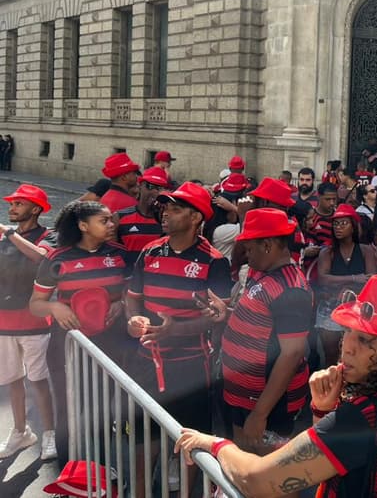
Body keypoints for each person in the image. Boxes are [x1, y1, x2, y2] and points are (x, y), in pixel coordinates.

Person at [174, 274, 377, 498]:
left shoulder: (358, 420)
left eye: (365, 341)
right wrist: (324, 412)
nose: (346, 347)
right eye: (347, 331)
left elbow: (256, 480)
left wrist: (215, 445)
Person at [125, 181, 232, 489]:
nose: (165, 215)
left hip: (191, 367)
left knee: (189, 445)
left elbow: (216, 317)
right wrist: (134, 318)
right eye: (165, 209)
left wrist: (177, 330)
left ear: (196, 218)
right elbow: (132, 296)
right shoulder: (149, 251)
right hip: (146, 361)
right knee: (145, 440)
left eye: (175, 210)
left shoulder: (214, 261)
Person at [30, 200, 131, 466]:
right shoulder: (57, 259)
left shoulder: (121, 255)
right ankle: (69, 472)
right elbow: (36, 304)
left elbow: (130, 295)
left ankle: (101, 467)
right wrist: (53, 306)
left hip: (110, 344)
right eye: (104, 221)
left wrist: (120, 303)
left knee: (105, 408)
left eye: (112, 220)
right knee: (69, 408)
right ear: (83, 226)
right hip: (68, 346)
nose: (112, 225)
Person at [212, 209, 312, 454]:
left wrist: (259, 414)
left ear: (267, 245)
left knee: (265, 474)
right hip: (245, 395)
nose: (247, 257)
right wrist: (227, 313)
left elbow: (292, 353)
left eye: (249, 250)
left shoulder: (291, 290)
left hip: (265, 403)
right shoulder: (269, 277)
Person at [0, 185, 55, 460]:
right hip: (4, 320)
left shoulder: (49, 236)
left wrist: (9, 234)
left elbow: (43, 257)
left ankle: (48, 435)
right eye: (11, 204)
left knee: (39, 380)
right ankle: (20, 432)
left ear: (36, 209)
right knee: (12, 380)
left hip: (34, 321)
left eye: (19, 204)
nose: (12, 208)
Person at [315, 204, 377, 367]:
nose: (339, 227)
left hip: (356, 308)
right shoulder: (327, 252)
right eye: (336, 223)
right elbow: (322, 278)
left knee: (355, 353)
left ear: (353, 227)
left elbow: (369, 280)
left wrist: (348, 283)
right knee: (331, 355)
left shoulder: (366, 250)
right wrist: (354, 278)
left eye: (344, 223)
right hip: (330, 307)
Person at [116, 166, 169, 264]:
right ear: (140, 186)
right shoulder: (119, 217)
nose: (154, 192)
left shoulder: (168, 222)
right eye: (150, 186)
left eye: (159, 188)